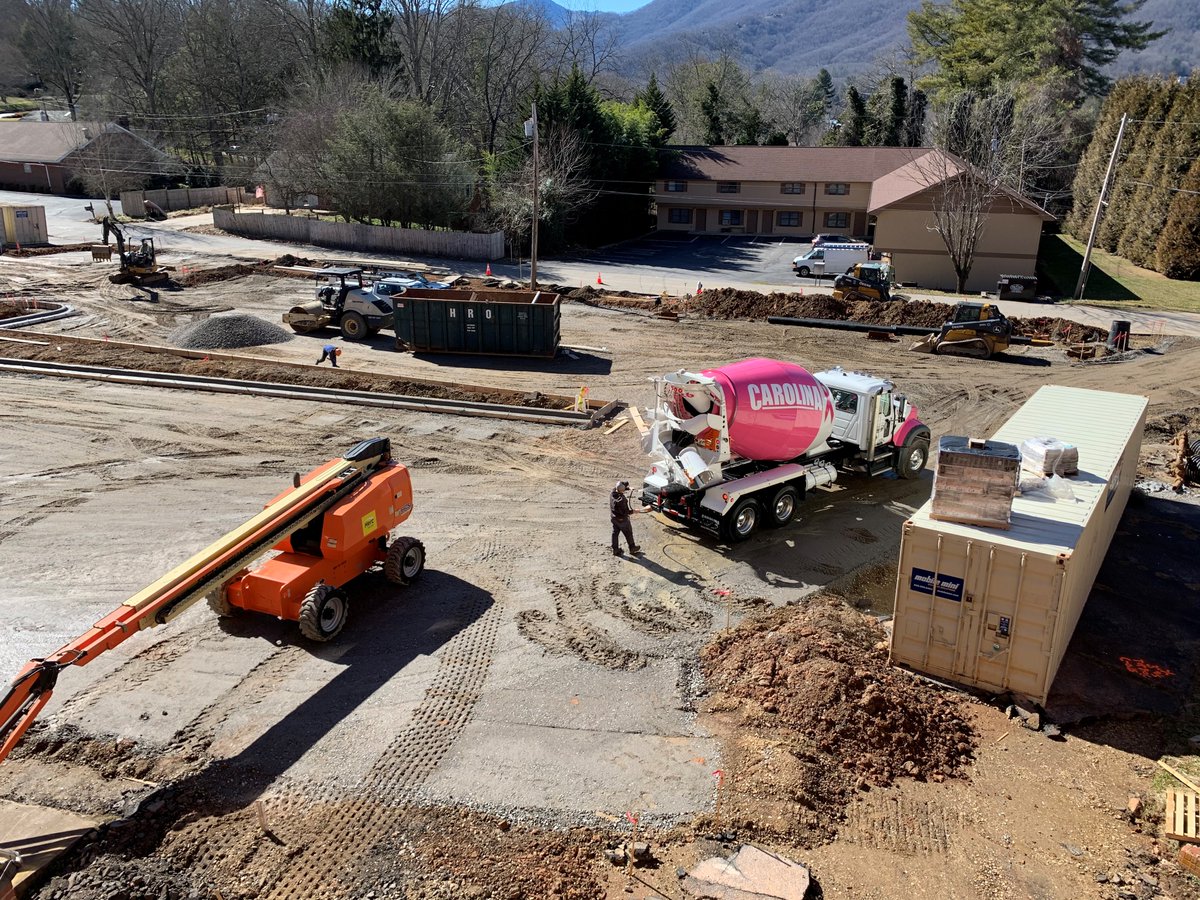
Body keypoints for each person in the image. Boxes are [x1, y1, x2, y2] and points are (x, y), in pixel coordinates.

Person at [610, 480, 643, 556]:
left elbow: (618, 488)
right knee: (628, 533)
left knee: (615, 533)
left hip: (614, 518)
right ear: (622, 490)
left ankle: (615, 550)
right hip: (622, 520)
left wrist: (628, 488)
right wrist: (634, 511)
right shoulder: (621, 501)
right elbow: (625, 512)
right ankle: (632, 548)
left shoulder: (613, 492)